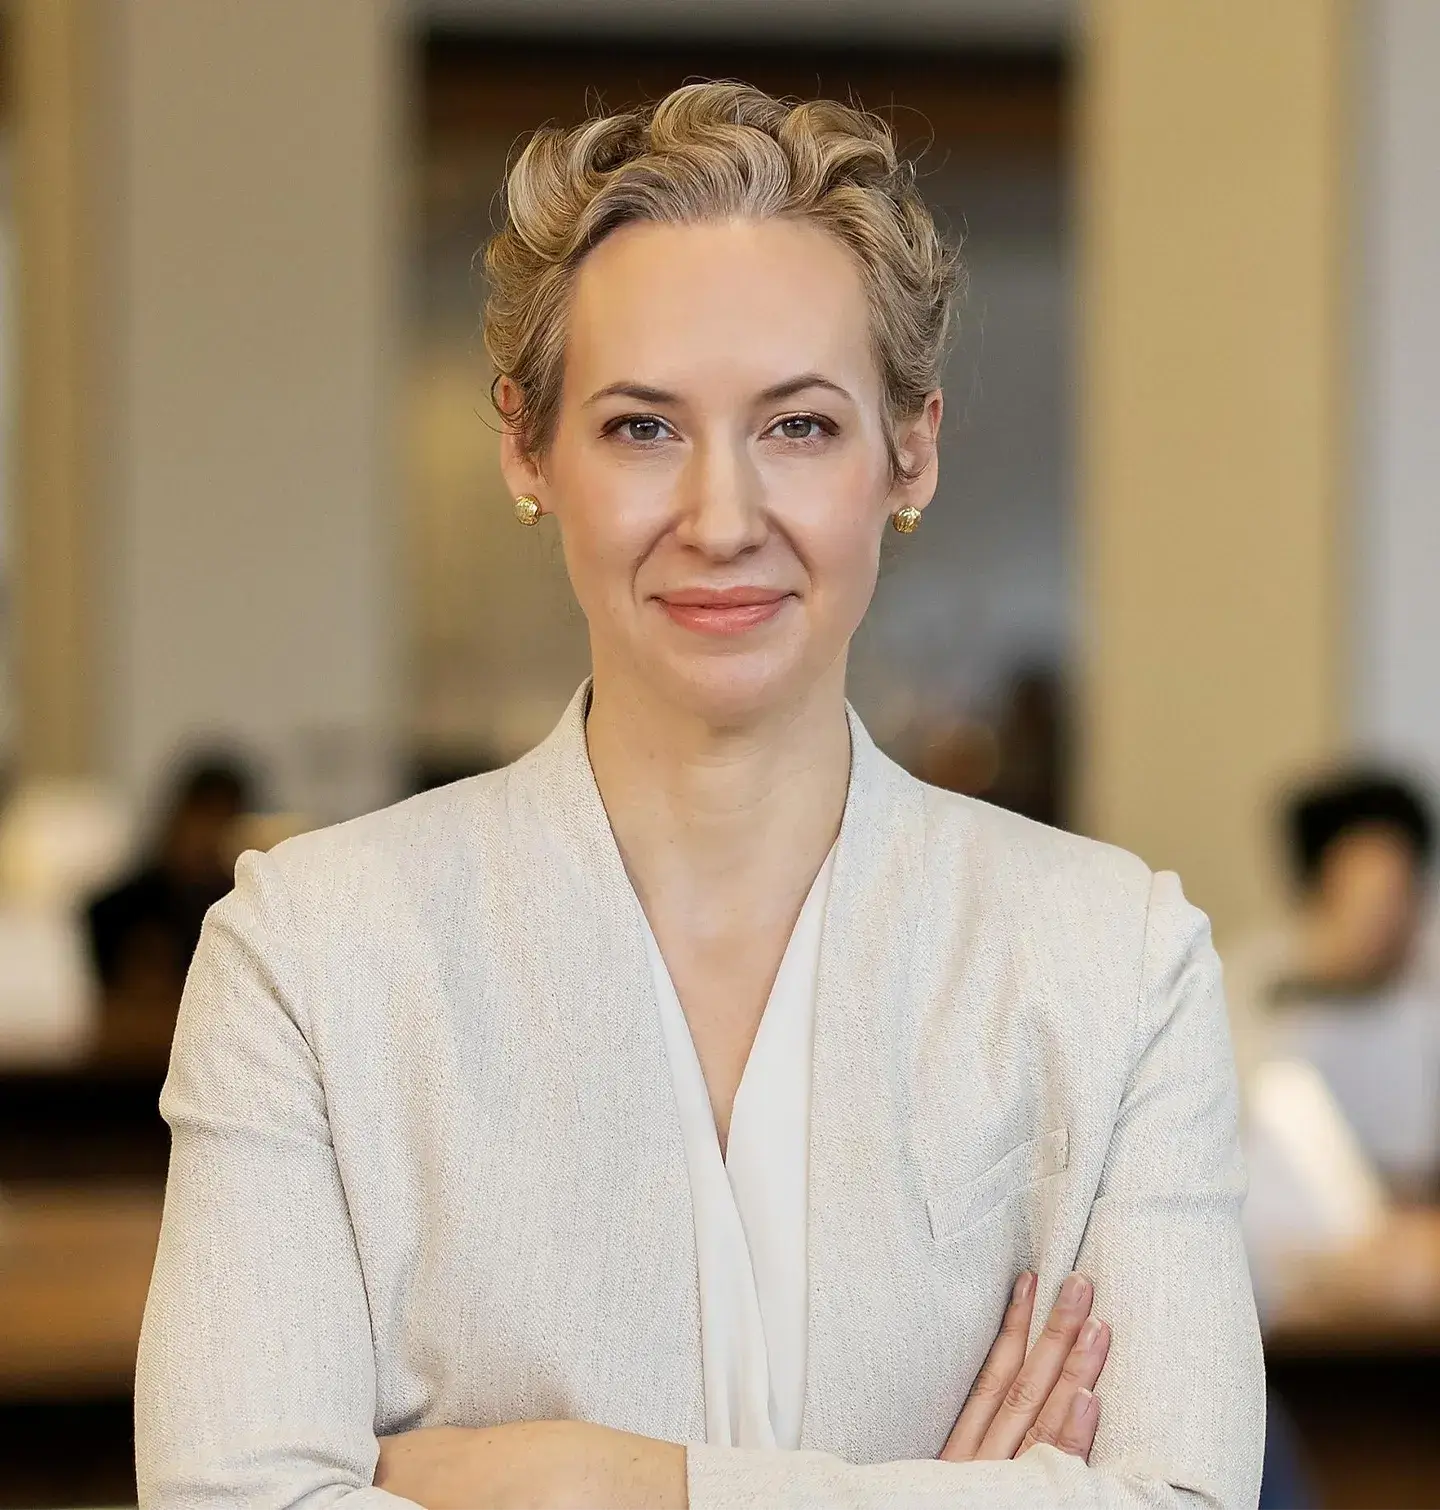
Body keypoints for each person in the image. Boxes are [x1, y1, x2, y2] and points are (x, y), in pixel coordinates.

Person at [134, 84, 1263, 1509]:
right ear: (526, 451)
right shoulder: (307, 957)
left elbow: (1188, 1501)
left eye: (797, 426)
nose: (722, 519)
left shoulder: (1118, 964)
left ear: (907, 453)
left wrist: (610, 1482)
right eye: (641, 429)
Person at [1229, 770, 1439, 1199]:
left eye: (1400, 896)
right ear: (1317, 894)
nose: (1385, 922)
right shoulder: (1243, 986)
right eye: (1365, 900)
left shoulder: (1423, 997)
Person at [84, 754, 255, 1062]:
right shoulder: (117, 908)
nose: (208, 837)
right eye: (203, 819)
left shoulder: (245, 910)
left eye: (222, 822)